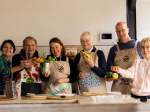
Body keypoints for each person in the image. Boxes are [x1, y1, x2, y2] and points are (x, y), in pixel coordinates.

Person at [106, 22, 143, 95]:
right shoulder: (113, 49)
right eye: (118, 31)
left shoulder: (139, 45)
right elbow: (109, 68)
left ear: (128, 30)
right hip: (118, 89)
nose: (121, 33)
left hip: (136, 87)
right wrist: (110, 77)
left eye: (123, 30)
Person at [111, 37, 150, 102]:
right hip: (135, 96)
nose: (145, 50)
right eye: (143, 47)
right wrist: (119, 70)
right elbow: (130, 74)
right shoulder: (137, 62)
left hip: (148, 97)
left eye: (147, 47)